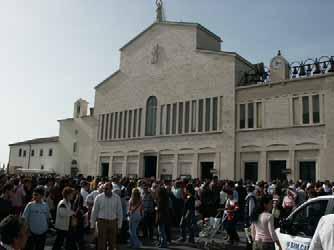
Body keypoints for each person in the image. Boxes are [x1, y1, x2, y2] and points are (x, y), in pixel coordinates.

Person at [91, 182, 123, 250]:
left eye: (106, 189)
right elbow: (94, 212)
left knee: (112, 243)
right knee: (101, 243)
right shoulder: (99, 197)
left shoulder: (117, 198)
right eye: (103, 189)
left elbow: (120, 212)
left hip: (113, 222)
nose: (104, 190)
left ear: (111, 189)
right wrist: (92, 225)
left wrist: (119, 225)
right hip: (102, 222)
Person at [22, 186, 49, 250]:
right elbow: (24, 218)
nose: (34, 196)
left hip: (43, 233)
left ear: (42, 195)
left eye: (36, 195)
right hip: (32, 234)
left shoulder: (45, 205)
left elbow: (47, 217)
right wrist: (26, 230)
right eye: (33, 194)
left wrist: (46, 228)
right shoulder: (30, 205)